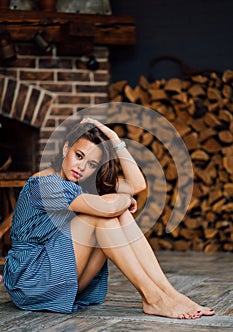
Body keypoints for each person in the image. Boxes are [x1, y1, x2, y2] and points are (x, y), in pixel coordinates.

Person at [3, 118, 215, 319]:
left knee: (114, 213)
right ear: (66, 149)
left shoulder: (82, 184)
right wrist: (123, 199)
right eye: (79, 155)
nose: (82, 168)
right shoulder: (44, 184)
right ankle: (152, 297)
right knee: (101, 217)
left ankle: (169, 293)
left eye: (92, 164)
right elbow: (110, 207)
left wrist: (115, 140)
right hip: (29, 279)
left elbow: (138, 185)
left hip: (61, 277)